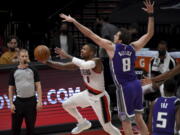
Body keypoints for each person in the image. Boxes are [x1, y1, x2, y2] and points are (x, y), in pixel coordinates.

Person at [59, 0, 154, 134]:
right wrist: (151, 15)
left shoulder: (113, 48)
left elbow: (90, 34)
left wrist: (74, 21)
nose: (114, 35)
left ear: (119, 40)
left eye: (116, 35)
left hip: (125, 88)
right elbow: (149, 34)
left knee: (126, 122)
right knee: (139, 118)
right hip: (136, 85)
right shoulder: (134, 47)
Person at [40, 44, 121, 135]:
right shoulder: (81, 62)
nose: (81, 50)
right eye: (81, 48)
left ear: (91, 52)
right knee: (66, 104)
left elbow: (85, 65)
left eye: (84, 49)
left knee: (107, 127)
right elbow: (63, 66)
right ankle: (83, 122)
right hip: (88, 94)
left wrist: (67, 55)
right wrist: (47, 62)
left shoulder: (97, 61)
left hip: (100, 98)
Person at [8, 49, 43, 135]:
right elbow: (10, 88)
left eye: (26, 56)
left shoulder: (33, 69)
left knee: (31, 129)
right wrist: (11, 103)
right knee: (15, 129)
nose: (24, 58)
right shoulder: (13, 71)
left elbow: (38, 86)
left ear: (28, 57)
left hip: (31, 102)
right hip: (19, 102)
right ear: (19, 57)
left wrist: (40, 101)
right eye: (22, 56)